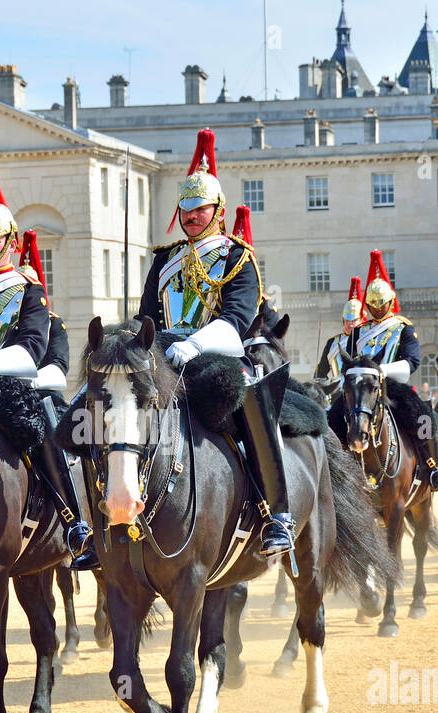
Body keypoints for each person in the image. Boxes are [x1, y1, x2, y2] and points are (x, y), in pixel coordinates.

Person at [139, 129, 296, 558]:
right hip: (164, 356)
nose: (190, 216)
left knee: (249, 397)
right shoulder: (164, 259)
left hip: (218, 356)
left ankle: (276, 514)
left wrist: (193, 345)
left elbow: (235, 322)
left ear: (217, 210)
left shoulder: (236, 257)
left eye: (198, 208)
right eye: (185, 208)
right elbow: (147, 318)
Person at [0, 157, 97, 570]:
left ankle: (74, 521)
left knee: (44, 425)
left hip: (12, 388)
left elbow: (31, 351)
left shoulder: (29, 292)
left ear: (10, 241)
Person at [332, 250, 438, 491]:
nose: (377, 309)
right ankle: (331, 470)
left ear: (390, 301)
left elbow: (412, 362)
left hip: (391, 386)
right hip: (360, 388)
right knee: (331, 418)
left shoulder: (403, 328)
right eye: (373, 305)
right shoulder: (358, 330)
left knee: (423, 416)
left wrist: (380, 371)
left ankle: (433, 466)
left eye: (382, 304)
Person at [20, 229, 98, 570]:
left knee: (52, 437)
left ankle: (74, 521)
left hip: (41, 399)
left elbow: (57, 372)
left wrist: (20, 378)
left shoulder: (54, 325)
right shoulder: (5, 324)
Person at [315, 275, 364, 383]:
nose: (350, 325)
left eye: (353, 321)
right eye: (347, 321)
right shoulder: (333, 342)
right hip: (338, 389)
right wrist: (318, 379)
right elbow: (322, 371)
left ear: (361, 320)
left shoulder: (368, 340)